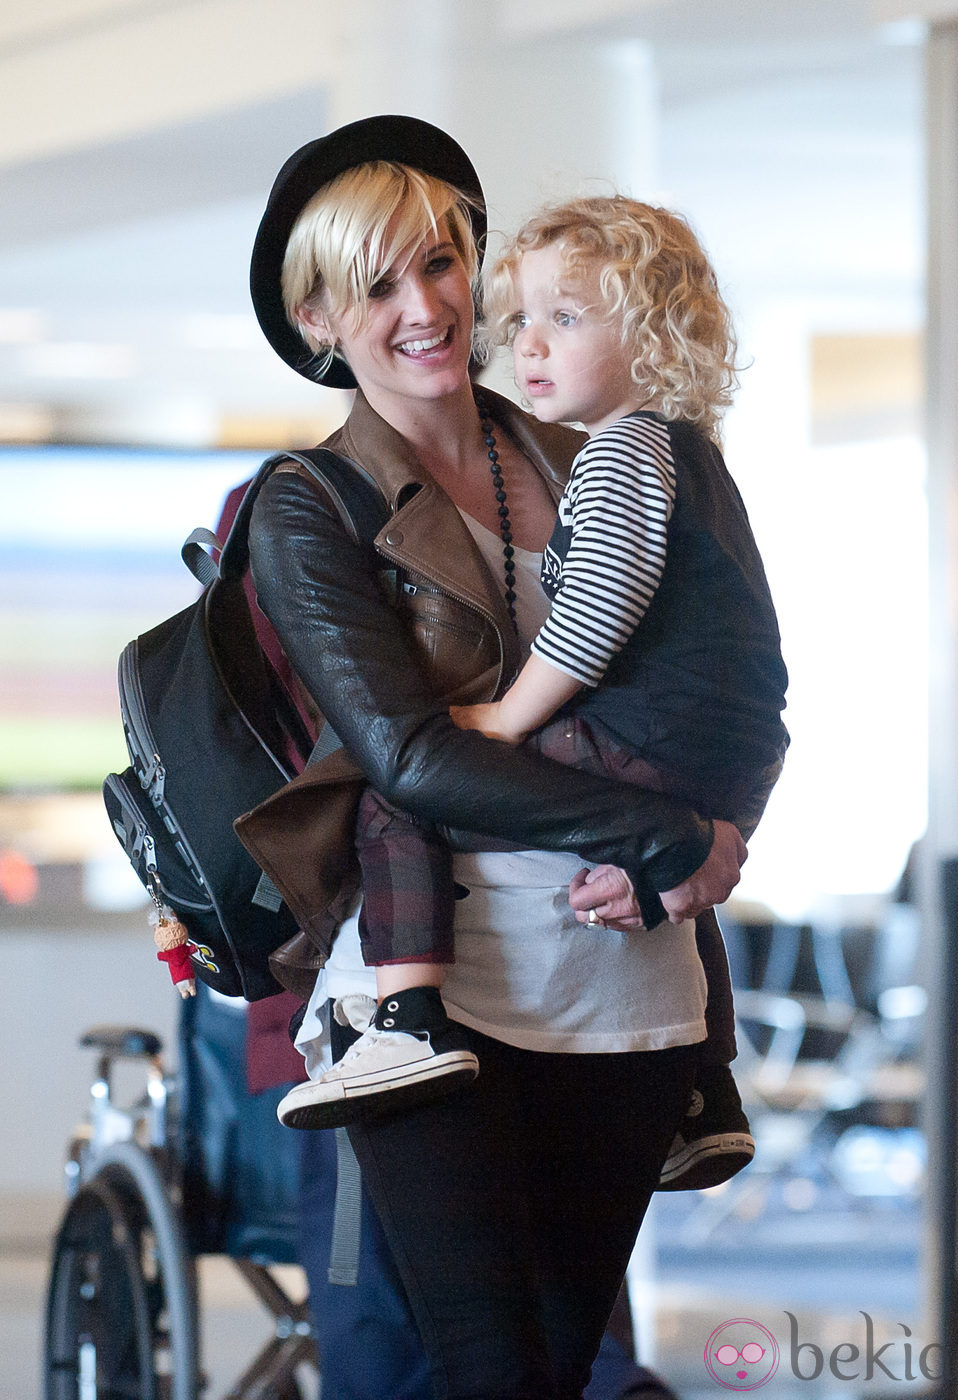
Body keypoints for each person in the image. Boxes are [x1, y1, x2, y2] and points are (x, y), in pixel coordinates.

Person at [242, 112, 747, 1399]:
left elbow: (716, 669)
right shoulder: (310, 505)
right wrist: (657, 833)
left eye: (440, 261)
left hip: (621, 989)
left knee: (564, 1359)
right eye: (374, 284)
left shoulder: (599, 447)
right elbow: (409, 754)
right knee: (488, 1364)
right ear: (317, 323)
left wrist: (728, 825)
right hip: (434, 991)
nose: (424, 306)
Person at [276, 194, 788, 1181]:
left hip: (603, 976)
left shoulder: (605, 453)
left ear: (647, 333)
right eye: (523, 321)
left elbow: (588, 618)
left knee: (401, 790)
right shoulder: (692, 458)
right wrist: (708, 821)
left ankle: (404, 1013)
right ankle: (705, 1082)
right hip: (686, 793)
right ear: (320, 321)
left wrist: (507, 717)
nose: (526, 345)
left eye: (563, 317)